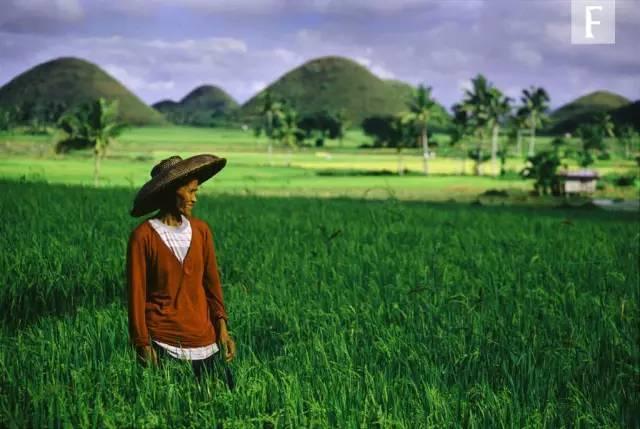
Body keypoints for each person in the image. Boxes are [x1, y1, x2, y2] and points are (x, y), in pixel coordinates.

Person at [127, 154, 236, 382]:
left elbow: (212, 285)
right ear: (170, 192)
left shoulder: (201, 231)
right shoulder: (143, 237)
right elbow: (136, 296)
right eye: (190, 191)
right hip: (164, 341)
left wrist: (222, 329)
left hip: (206, 341)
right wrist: (142, 344)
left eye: (196, 191)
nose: (195, 199)